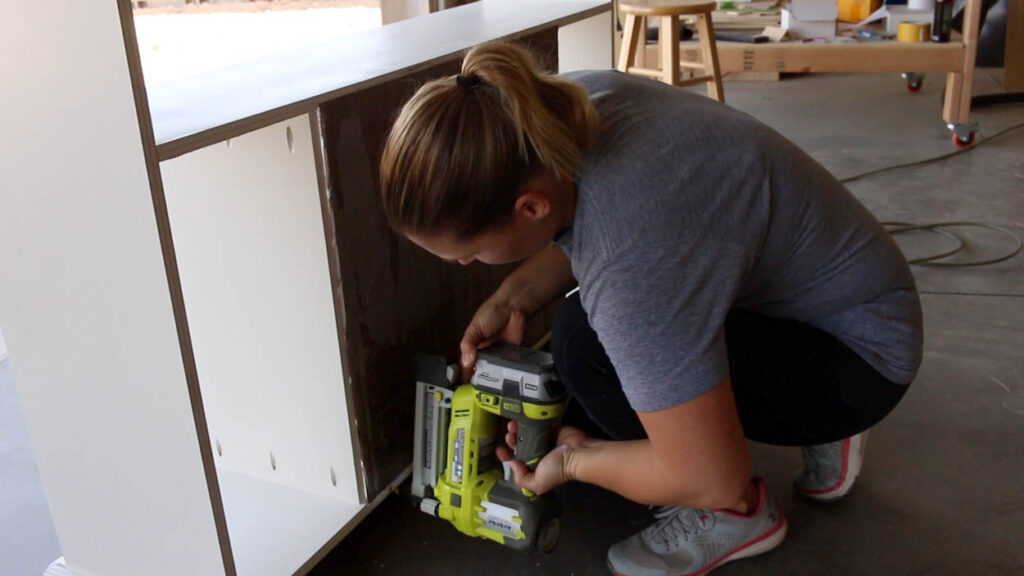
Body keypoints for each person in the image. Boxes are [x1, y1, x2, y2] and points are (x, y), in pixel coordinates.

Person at [379, 42, 923, 576]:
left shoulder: (636, 265)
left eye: (470, 254)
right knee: (593, 339)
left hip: (862, 358)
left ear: (530, 206)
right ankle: (804, 408)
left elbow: (711, 473)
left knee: (587, 350)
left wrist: (574, 463)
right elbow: (610, 225)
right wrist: (512, 298)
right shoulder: (558, 109)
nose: (468, 265)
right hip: (843, 291)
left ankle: (738, 518)